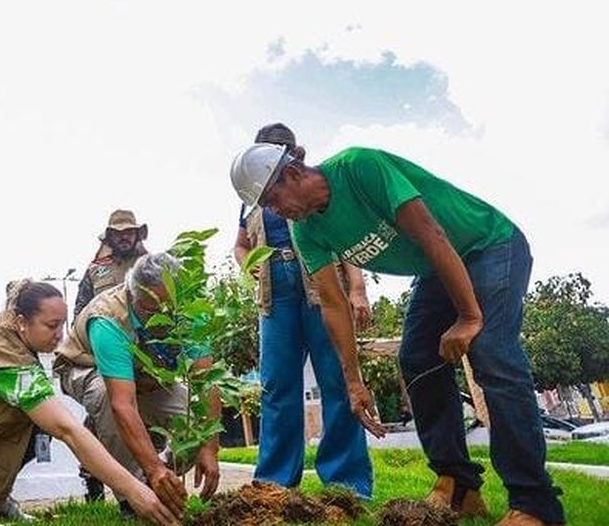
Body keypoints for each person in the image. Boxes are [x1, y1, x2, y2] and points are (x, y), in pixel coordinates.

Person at [229, 143, 565, 526]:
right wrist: (353, 382)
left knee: (490, 351)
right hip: (436, 268)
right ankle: (458, 484)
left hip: (488, 244)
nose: (275, 212)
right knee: (417, 359)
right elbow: (333, 304)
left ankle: (535, 503)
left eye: (273, 200)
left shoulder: (359, 167)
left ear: (292, 174)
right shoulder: (306, 229)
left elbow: (431, 233)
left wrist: (470, 317)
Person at [0, 280, 181, 526]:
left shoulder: (8, 326)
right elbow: (68, 429)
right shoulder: (6, 357)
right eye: (51, 326)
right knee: (48, 424)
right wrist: (133, 489)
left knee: (37, 428)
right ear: (22, 321)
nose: (60, 335)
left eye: (63, 325)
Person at [232, 123, 373, 499]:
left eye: (281, 149)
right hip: (274, 291)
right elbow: (241, 246)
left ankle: (347, 484)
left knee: (338, 377)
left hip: (319, 280)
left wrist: (357, 290)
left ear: (295, 155)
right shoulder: (249, 198)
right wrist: (250, 265)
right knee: (277, 385)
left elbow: (343, 240)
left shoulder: (313, 183)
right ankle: (275, 483)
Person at [55, 253, 221, 521]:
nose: (162, 316)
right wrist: (153, 469)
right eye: (150, 309)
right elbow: (123, 403)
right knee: (106, 397)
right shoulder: (108, 319)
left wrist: (210, 446)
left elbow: (206, 380)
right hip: (87, 367)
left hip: (146, 375)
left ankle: (156, 484)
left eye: (169, 308)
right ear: (133, 296)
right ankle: (133, 497)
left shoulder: (188, 308)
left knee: (192, 417)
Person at [73, 208, 149, 502]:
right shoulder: (95, 269)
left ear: (137, 233)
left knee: (134, 414)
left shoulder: (148, 264)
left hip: (141, 352)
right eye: (117, 233)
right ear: (109, 237)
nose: (123, 237)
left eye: (128, 231)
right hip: (103, 349)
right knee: (104, 409)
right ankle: (94, 480)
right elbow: (80, 312)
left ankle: (140, 479)